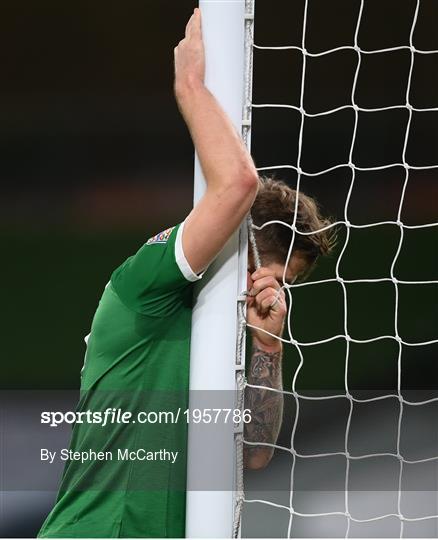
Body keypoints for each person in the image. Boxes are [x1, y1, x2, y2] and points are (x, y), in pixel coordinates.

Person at [38, 8, 334, 538]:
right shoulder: (147, 281)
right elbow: (238, 186)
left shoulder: (222, 334)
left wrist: (269, 347)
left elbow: (257, 454)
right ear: (238, 247)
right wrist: (191, 87)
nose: (270, 293)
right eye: (272, 276)